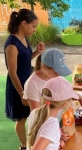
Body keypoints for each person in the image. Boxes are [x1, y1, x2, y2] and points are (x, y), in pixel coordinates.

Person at [23, 48, 82, 148]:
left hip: (55, 124)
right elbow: (40, 122)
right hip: (49, 127)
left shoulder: (54, 77)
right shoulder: (32, 84)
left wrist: (77, 95)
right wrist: (54, 135)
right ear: (43, 67)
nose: (59, 75)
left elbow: (60, 89)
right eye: (56, 72)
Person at [4, 9, 45, 150]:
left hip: (29, 83)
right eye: (33, 26)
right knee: (21, 119)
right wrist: (22, 94)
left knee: (33, 115)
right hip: (18, 87)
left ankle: (33, 143)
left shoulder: (23, 38)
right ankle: (23, 146)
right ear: (23, 23)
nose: (35, 29)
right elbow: (12, 73)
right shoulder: (11, 45)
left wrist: (37, 52)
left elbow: (25, 61)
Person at [27, 76, 79, 150]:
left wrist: (56, 140)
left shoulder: (35, 112)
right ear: (64, 103)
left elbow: (41, 133)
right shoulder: (52, 124)